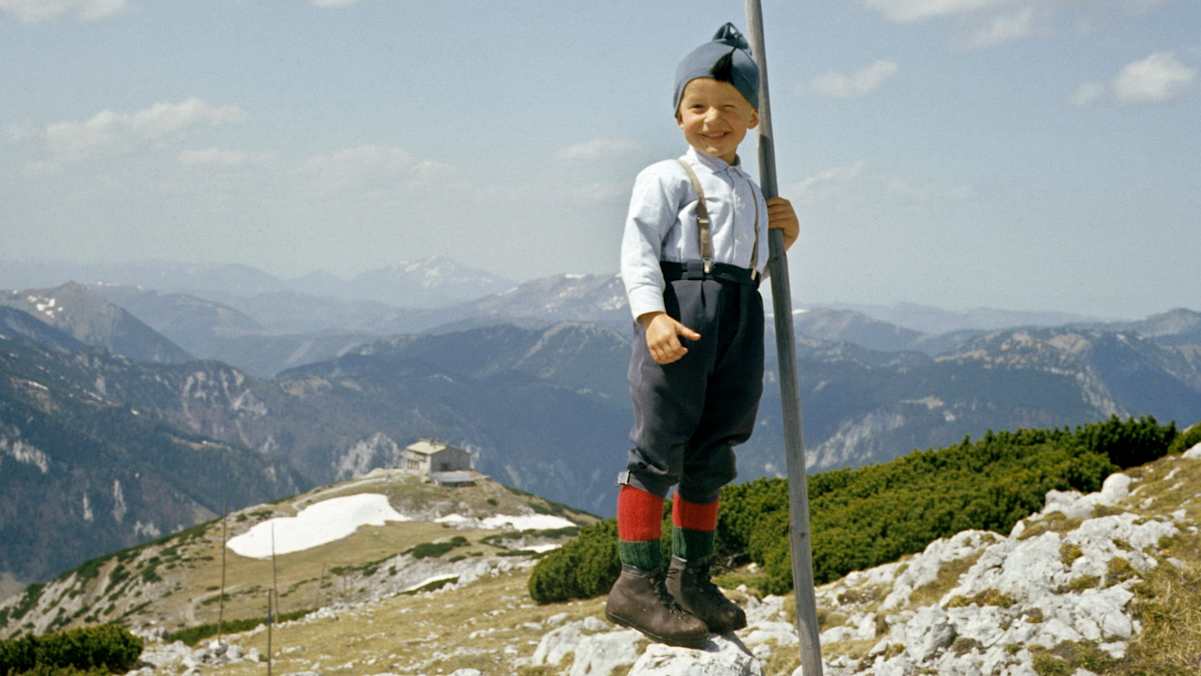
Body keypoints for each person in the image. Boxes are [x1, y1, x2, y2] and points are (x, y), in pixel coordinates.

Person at [604, 22, 800, 648]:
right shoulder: (665, 177)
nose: (711, 119)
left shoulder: (752, 189)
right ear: (678, 113)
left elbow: (749, 267)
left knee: (715, 447)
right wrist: (651, 315)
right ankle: (636, 583)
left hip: (740, 311)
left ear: (752, 119)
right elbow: (637, 249)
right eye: (697, 106)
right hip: (682, 310)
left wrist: (781, 242)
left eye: (729, 109)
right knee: (661, 444)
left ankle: (692, 577)